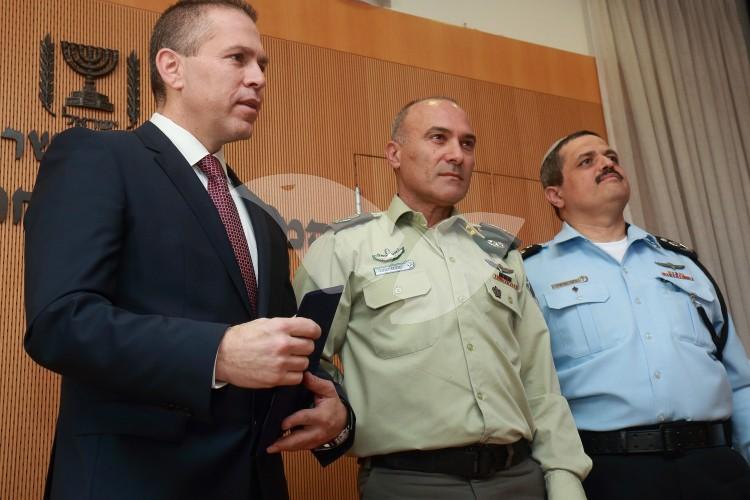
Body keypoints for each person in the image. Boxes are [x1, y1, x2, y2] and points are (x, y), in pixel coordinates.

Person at [23, 1, 353, 499]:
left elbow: (279, 349)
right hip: (135, 482)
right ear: (171, 66)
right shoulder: (100, 159)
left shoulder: (259, 217)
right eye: (238, 58)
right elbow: (61, 324)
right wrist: (216, 354)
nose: (259, 77)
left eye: (262, 64)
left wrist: (334, 411)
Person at [293, 97, 590, 500]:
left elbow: (539, 379)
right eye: (439, 138)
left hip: (520, 478)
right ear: (394, 154)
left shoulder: (500, 253)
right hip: (408, 482)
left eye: (467, 144)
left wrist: (564, 475)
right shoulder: (345, 247)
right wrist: (339, 421)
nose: (457, 155)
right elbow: (303, 358)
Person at [522, 130, 750, 500]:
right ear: (556, 194)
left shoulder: (684, 263)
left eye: (610, 156)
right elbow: (530, 388)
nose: (607, 163)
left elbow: (738, 380)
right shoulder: (531, 273)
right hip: (610, 472)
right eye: (587, 161)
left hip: (716, 468)